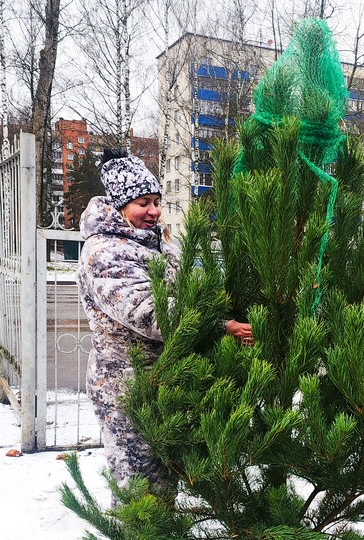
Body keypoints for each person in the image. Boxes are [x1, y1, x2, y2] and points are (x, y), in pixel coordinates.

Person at [76, 150, 251, 497]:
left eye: (157, 201)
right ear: (119, 205)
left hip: (166, 378)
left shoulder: (157, 245)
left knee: (164, 483)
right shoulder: (105, 252)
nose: (154, 211)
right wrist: (219, 324)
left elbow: (192, 289)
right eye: (143, 203)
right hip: (128, 386)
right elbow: (148, 312)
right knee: (141, 488)